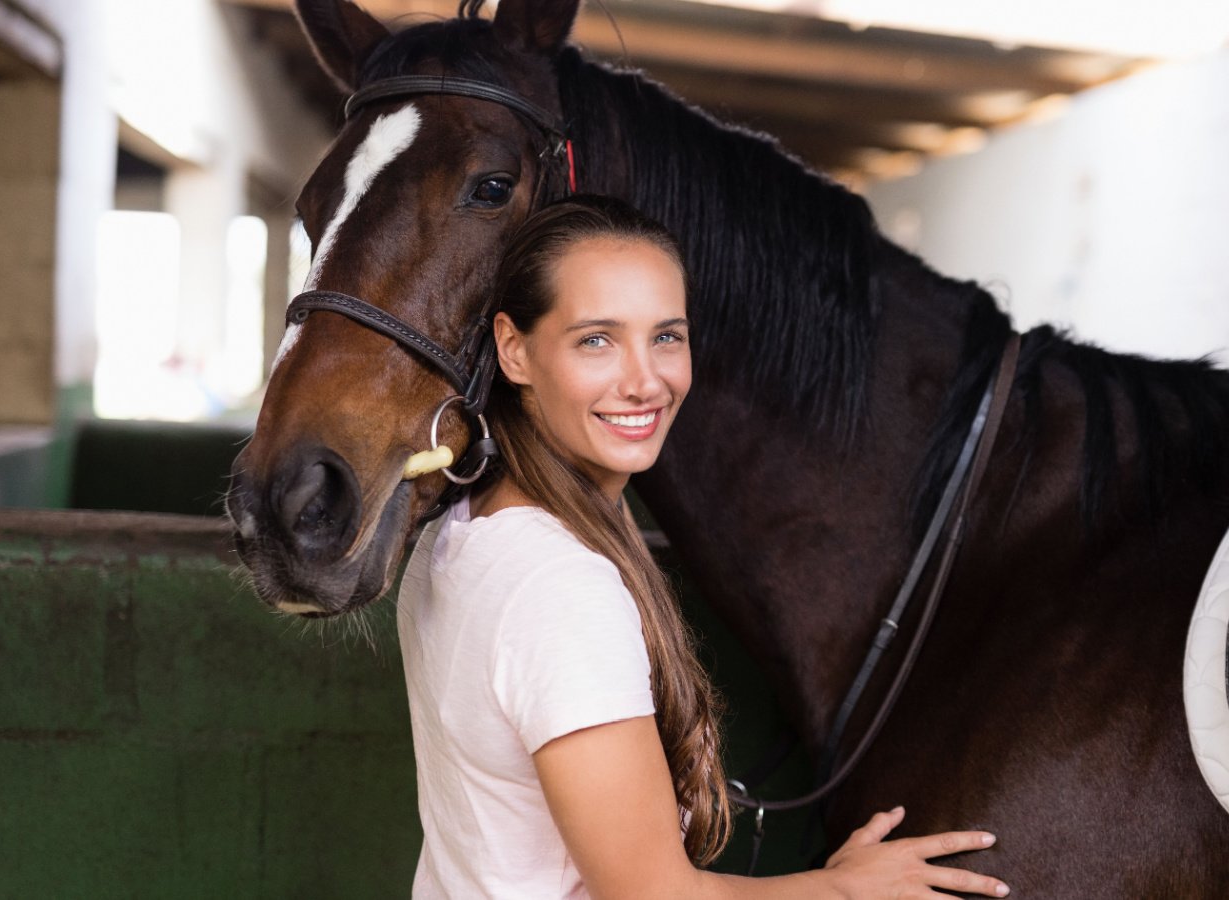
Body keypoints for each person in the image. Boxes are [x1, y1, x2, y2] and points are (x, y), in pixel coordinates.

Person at [396, 195, 1008, 899]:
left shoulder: (465, 523)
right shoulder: (559, 585)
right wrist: (846, 892)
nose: (645, 380)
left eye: (666, 336)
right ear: (515, 349)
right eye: (596, 339)